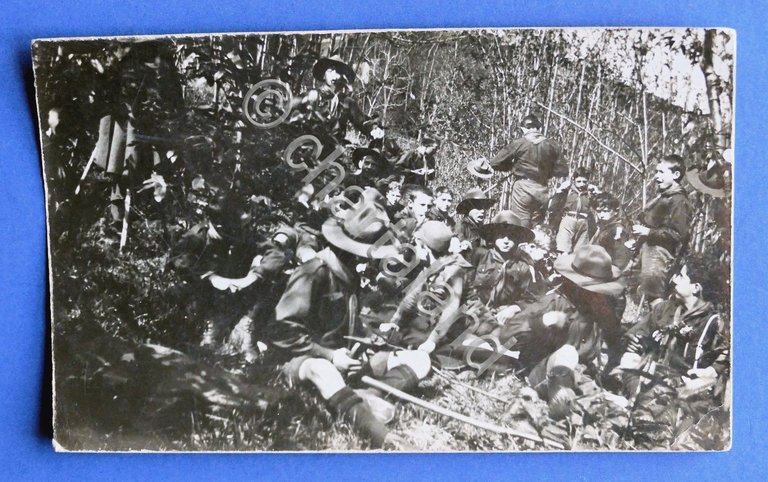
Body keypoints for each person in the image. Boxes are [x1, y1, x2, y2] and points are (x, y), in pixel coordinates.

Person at [267, 189, 432, 448]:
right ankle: (385, 437)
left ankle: (360, 398)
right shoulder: (315, 272)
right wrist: (331, 356)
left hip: (345, 359)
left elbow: (345, 323)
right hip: (302, 360)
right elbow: (280, 330)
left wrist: (367, 340)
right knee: (322, 370)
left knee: (419, 359)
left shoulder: (348, 274)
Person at [620, 266, 728, 398]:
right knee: (629, 359)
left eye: (681, 276)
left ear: (695, 288)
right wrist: (634, 341)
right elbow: (638, 332)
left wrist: (713, 370)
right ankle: (636, 398)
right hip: (657, 371)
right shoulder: (665, 308)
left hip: (687, 382)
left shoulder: (713, 321)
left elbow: (728, 352)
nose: (674, 280)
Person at [382, 221, 473, 353]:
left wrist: (432, 341)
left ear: (425, 248)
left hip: (461, 324)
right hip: (438, 321)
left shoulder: (454, 270)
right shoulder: (432, 265)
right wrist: (395, 322)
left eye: (416, 245)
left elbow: (451, 310)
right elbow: (412, 296)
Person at [632, 155, 692, 306]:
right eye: (656, 172)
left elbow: (678, 234)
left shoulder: (678, 200)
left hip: (661, 254)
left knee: (655, 298)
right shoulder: (665, 197)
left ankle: (665, 328)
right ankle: (660, 327)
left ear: (676, 175)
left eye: (661, 172)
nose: (656, 177)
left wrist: (648, 233)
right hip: (651, 252)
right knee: (650, 296)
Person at [489, 114, 568, 227]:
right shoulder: (552, 145)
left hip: (522, 189)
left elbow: (495, 163)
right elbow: (563, 170)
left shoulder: (519, 143)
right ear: (538, 128)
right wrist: (546, 171)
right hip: (542, 189)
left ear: (524, 128)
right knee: (536, 227)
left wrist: (512, 167)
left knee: (520, 226)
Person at [465, 211, 537, 328]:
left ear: (518, 239)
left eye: (511, 236)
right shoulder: (479, 255)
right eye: (501, 235)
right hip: (472, 310)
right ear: (493, 236)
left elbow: (530, 299)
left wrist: (514, 308)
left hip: (501, 316)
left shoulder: (521, 266)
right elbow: (463, 284)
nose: (506, 240)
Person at [291, 55, 372, 147]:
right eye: (330, 71)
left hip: (333, 150)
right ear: (323, 75)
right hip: (308, 148)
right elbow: (291, 111)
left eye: (338, 71)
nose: (334, 75)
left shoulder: (347, 102)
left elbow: (362, 122)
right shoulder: (312, 95)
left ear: (344, 76)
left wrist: (373, 128)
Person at [551, 167, 593, 253]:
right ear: (573, 180)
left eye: (584, 182)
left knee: (580, 253)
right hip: (568, 221)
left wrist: (597, 192)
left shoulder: (589, 193)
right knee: (563, 250)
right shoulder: (568, 191)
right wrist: (559, 191)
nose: (581, 184)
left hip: (583, 223)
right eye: (579, 181)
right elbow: (552, 206)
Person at [589, 193, 633, 270]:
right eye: (599, 211)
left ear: (616, 211)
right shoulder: (603, 226)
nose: (601, 215)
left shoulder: (617, 231)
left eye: (606, 211)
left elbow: (621, 260)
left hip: (606, 272)